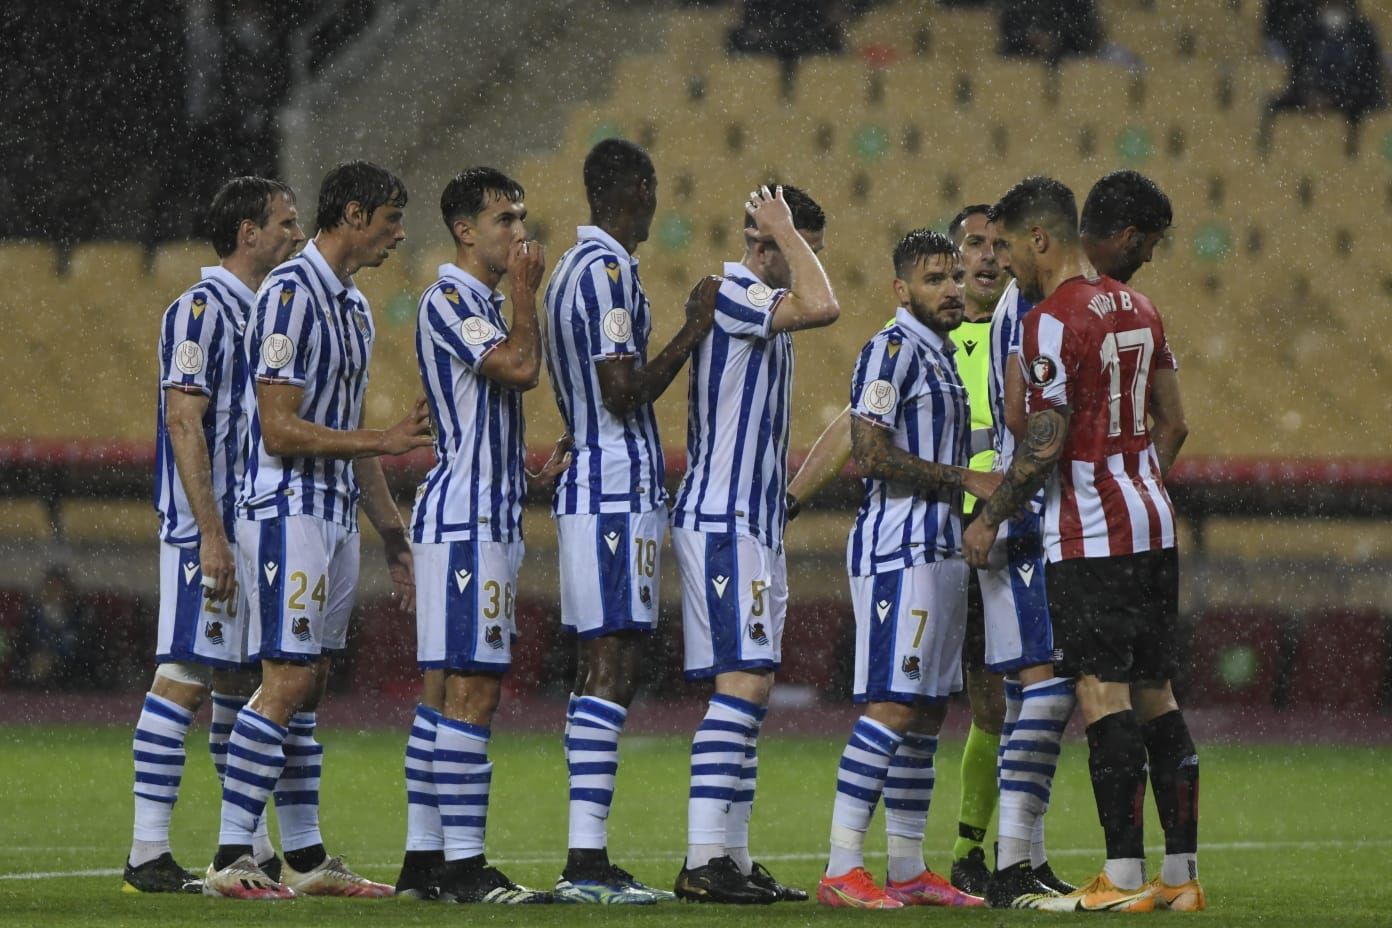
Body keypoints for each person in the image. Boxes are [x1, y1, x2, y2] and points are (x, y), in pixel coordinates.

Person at [963, 176, 1200, 913]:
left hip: (1091, 536)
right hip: (1154, 524)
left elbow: (1042, 443)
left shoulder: (1049, 322)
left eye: (1006, 245)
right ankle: (1181, 876)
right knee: (1157, 692)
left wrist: (990, 516)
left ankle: (1121, 878)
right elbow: (1175, 421)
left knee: (1100, 693)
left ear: (1041, 238)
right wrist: (1137, 482)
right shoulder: (1141, 307)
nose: (1003, 262)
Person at [203, 160, 433, 900]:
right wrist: (382, 441)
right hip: (284, 509)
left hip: (335, 516)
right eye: (392, 220)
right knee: (287, 678)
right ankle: (232, 855)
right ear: (357, 216)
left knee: (312, 683)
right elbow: (277, 428)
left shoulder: (356, 309)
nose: (400, 236)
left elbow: (348, 430)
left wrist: (393, 535)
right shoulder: (289, 294)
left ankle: (303, 859)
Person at [542, 138, 717, 904]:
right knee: (611, 663)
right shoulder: (607, 272)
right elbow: (621, 390)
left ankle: (587, 854)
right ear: (638, 189)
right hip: (615, 488)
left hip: (595, 486)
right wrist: (693, 328)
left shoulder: (565, 274)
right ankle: (585, 862)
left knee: (600, 663)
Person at [391, 167, 565, 904]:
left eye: (522, 216)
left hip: (479, 513)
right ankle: (466, 870)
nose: (519, 233)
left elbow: (484, 412)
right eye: (504, 219)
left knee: (441, 695)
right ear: (465, 230)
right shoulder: (451, 299)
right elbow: (521, 368)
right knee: (473, 691)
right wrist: (527, 293)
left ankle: (423, 866)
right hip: (465, 524)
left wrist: (523, 479)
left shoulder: (481, 303)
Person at [124, 176, 303, 894]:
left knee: (235, 681)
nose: (295, 234)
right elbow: (182, 420)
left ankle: (249, 851)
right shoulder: (201, 309)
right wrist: (209, 533)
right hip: (211, 528)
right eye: (284, 223)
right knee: (186, 674)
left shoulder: (263, 311)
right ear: (246, 232)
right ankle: (146, 852)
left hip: (246, 524)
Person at [816, 229, 996, 910]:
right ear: (902, 290)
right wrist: (965, 479)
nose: (951, 289)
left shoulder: (943, 355)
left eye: (954, 276)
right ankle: (840, 866)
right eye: (933, 279)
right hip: (899, 547)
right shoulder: (891, 349)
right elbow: (869, 452)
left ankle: (908, 868)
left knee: (924, 715)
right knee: (891, 703)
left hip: (939, 549)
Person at [669, 184, 839, 904]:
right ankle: (705, 860)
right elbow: (824, 305)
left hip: (750, 521)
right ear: (766, 239)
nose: (810, 262)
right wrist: (783, 232)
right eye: (802, 246)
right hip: (723, 518)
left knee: (753, 686)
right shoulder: (734, 290)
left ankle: (731, 859)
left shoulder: (750, 301)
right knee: (741, 684)